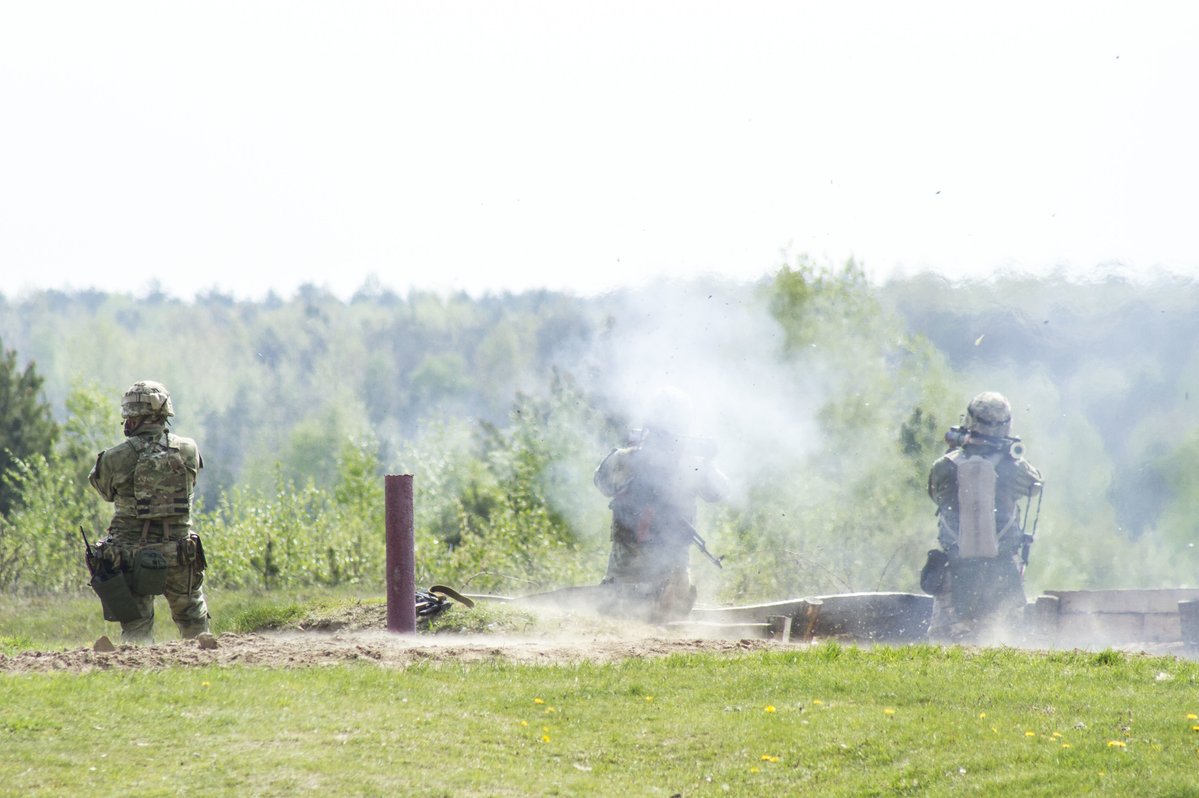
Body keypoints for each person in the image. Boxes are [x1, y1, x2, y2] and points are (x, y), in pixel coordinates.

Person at [88, 380, 210, 644]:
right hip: (180, 554)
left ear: (134, 417)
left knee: (136, 627)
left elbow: (105, 492)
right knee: (194, 622)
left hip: (133, 557)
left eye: (128, 417)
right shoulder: (188, 449)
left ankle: (139, 674)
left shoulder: (115, 457)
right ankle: (209, 663)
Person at [593, 389, 729, 622]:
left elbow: (602, 483)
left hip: (656, 579)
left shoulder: (626, 459)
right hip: (634, 578)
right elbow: (718, 491)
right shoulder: (685, 466)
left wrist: (704, 460)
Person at [923, 391, 1042, 643]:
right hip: (1000, 572)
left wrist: (955, 447)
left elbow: (936, 494)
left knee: (941, 649)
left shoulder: (945, 466)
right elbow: (1035, 486)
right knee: (1005, 646)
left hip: (954, 571)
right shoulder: (1014, 469)